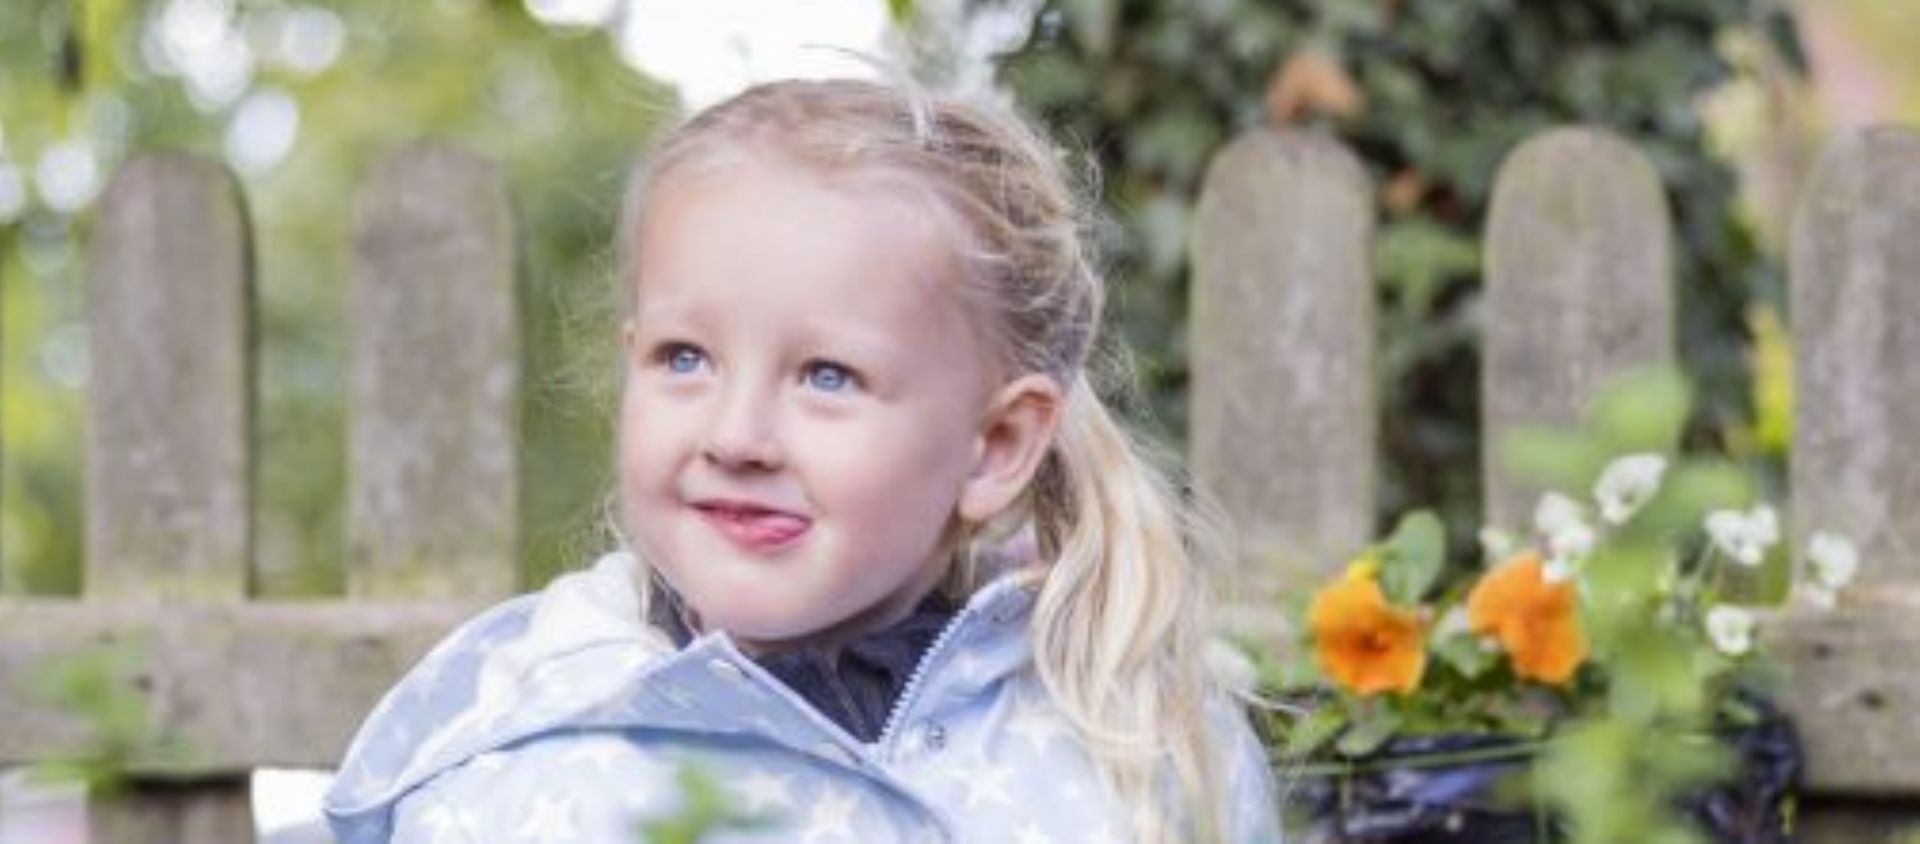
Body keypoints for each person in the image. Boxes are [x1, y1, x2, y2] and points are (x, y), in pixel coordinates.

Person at [323, 77, 1281, 843]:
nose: (736, 437)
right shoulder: (508, 756)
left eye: (827, 376)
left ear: (994, 446)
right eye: (684, 359)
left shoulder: (1138, 750)